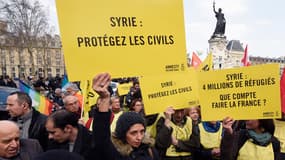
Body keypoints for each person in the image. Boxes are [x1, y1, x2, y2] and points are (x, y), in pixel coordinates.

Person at [87, 72, 159, 160]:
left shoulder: (150, 150)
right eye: (133, 133)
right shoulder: (117, 153)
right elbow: (101, 137)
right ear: (123, 133)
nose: (139, 137)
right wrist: (105, 98)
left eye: (142, 131)